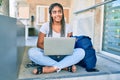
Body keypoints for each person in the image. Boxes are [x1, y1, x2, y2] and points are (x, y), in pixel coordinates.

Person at [28, 3, 85, 74]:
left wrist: (73, 42)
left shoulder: (68, 27)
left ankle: (51, 68)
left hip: (63, 55)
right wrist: (51, 50)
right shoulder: (45, 26)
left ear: (62, 13)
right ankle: (64, 66)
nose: (57, 14)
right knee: (32, 52)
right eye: (54, 12)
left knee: (81, 52)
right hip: (49, 55)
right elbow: (39, 44)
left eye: (59, 11)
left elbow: (69, 44)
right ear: (51, 14)